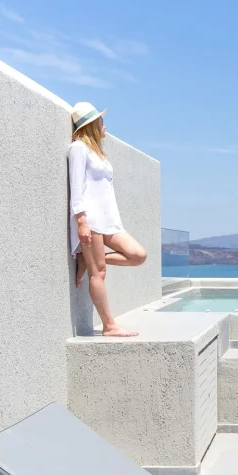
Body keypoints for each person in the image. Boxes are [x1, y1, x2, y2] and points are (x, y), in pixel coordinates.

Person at [69, 102, 146, 337]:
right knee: (99, 272)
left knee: (137, 255)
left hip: (110, 221)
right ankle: (109, 325)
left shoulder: (99, 154)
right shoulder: (78, 149)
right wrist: (81, 221)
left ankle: (87, 260)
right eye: (101, 121)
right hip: (90, 221)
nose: (105, 125)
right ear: (92, 125)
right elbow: (76, 187)